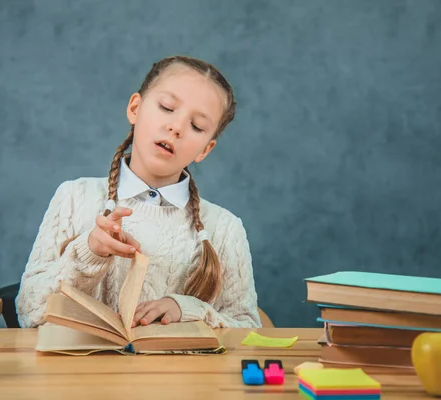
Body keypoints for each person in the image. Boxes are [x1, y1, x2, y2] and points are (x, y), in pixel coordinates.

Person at [15, 55, 261, 329]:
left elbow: (247, 327)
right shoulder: (74, 197)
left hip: (178, 373)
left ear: (205, 149)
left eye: (196, 126)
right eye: (167, 108)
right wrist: (89, 252)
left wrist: (188, 309)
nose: (176, 127)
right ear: (135, 108)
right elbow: (29, 312)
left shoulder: (225, 229)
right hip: (81, 371)